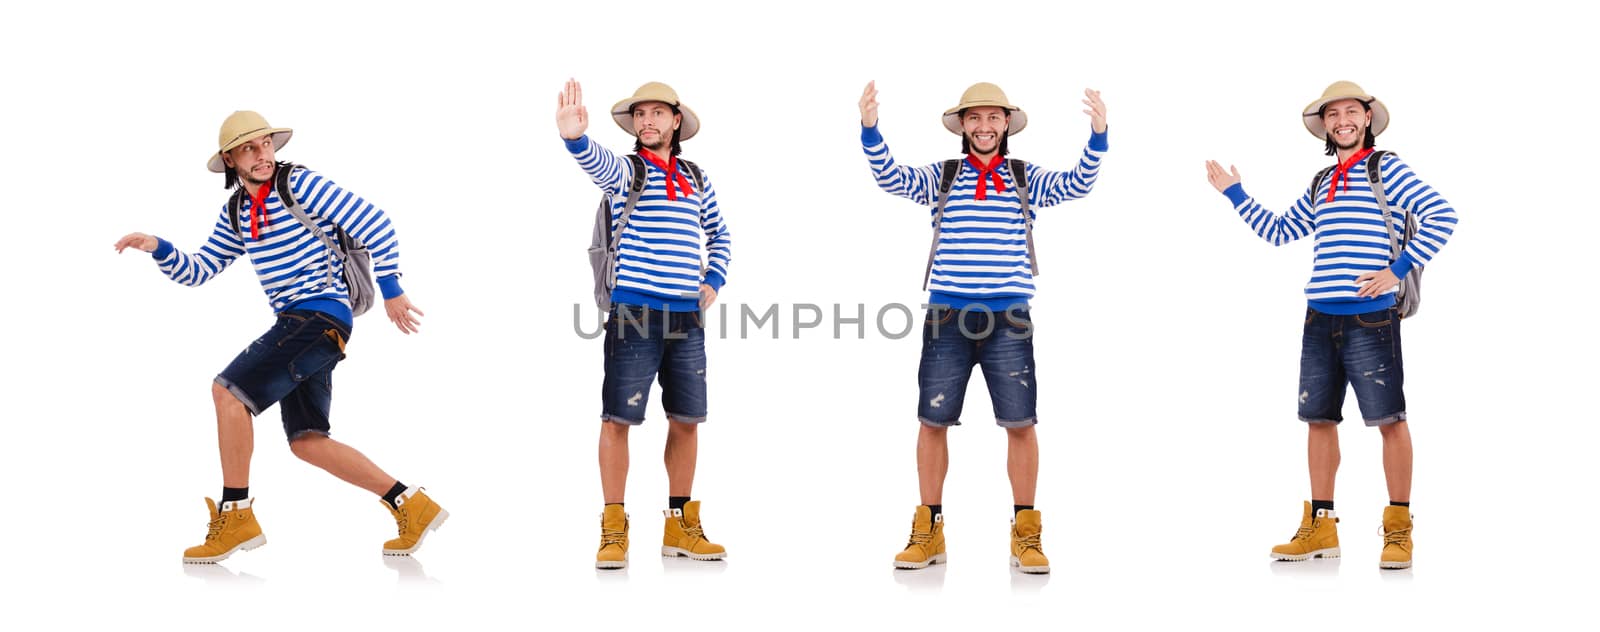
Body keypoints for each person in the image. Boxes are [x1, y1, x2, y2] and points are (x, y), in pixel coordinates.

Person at [113, 111, 447, 563]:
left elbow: (377, 222)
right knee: (307, 441)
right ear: (230, 159)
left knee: (227, 393)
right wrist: (159, 248)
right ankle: (411, 504)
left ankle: (236, 516)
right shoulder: (237, 212)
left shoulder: (300, 186)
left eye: (266, 144)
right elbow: (200, 270)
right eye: (249, 148)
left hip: (316, 315)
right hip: (303, 325)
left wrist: (392, 289)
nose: (262, 154)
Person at [1204, 81, 1459, 569]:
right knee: (1319, 420)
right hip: (1319, 317)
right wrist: (1235, 194)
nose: (1342, 120)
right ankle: (1321, 527)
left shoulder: (1387, 168)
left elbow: (1442, 215)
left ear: (1366, 118)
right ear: (1324, 125)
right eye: (1332, 114)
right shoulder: (1322, 182)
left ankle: (1399, 528)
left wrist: (1396, 269)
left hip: (1371, 317)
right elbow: (1280, 231)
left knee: (1389, 419)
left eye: (1350, 111)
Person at [859, 81, 1108, 574]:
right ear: (963, 126)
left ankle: (1026, 532)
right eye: (975, 118)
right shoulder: (944, 175)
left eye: (993, 118)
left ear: (1006, 125)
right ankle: (928, 530)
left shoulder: (1024, 177)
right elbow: (891, 177)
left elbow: (1078, 184)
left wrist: (1098, 134)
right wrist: (870, 128)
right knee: (932, 422)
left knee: (1020, 423)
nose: (984, 126)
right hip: (946, 317)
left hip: (1009, 319)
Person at [557, 80, 733, 569]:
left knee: (687, 420)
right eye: (640, 114)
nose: (648, 121)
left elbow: (720, 232)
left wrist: (713, 280)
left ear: (676, 121)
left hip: (686, 318)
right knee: (618, 420)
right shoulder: (626, 171)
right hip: (633, 313)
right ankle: (614, 528)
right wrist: (575, 139)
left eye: (658, 113)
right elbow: (597, 163)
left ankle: (680, 527)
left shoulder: (696, 177)